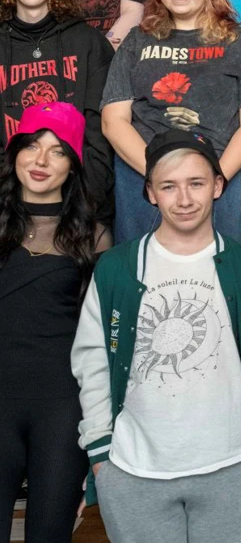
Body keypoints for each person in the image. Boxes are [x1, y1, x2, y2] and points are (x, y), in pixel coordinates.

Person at [71, 130, 241, 543]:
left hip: (237, 468)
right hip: (135, 473)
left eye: (196, 183)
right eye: (169, 186)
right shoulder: (117, 268)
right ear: (150, 193)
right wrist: (101, 455)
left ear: (218, 185)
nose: (184, 199)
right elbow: (92, 363)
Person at [100, 0, 241, 256]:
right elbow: (114, 121)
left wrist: (213, 180)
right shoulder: (135, 41)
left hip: (224, 178)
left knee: (234, 289)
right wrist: (161, 178)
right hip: (149, 175)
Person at [0, 102, 109, 543]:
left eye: (57, 150)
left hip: (62, 410)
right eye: (32, 146)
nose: (41, 161)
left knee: (50, 534)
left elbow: (104, 342)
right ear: (15, 154)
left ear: (74, 164)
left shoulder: (95, 237)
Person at [0, 0, 114, 224]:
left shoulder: (89, 43)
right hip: (6, 208)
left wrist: (81, 210)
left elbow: (99, 138)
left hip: (78, 209)